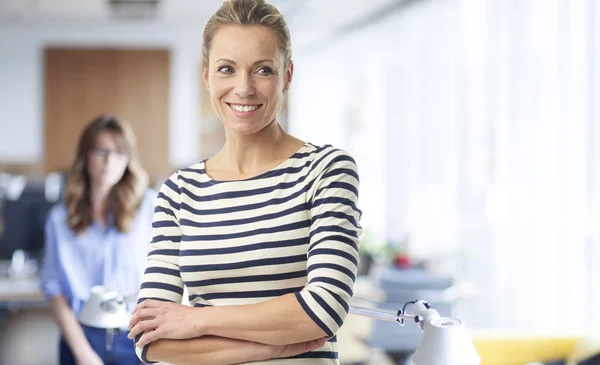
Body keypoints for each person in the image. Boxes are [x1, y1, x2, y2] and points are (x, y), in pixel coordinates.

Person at [127, 0, 362, 364]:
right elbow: (150, 339)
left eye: (263, 70)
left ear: (287, 75)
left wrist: (195, 320)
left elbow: (324, 308)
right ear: (206, 76)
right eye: (226, 69)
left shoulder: (326, 171)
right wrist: (271, 346)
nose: (244, 88)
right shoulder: (179, 191)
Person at [40, 114, 156, 365]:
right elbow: (53, 288)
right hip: (81, 337)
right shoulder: (60, 218)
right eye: (101, 151)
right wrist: (82, 352)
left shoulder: (149, 206)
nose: (110, 161)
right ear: (85, 157)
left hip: (136, 336)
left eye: (119, 153)